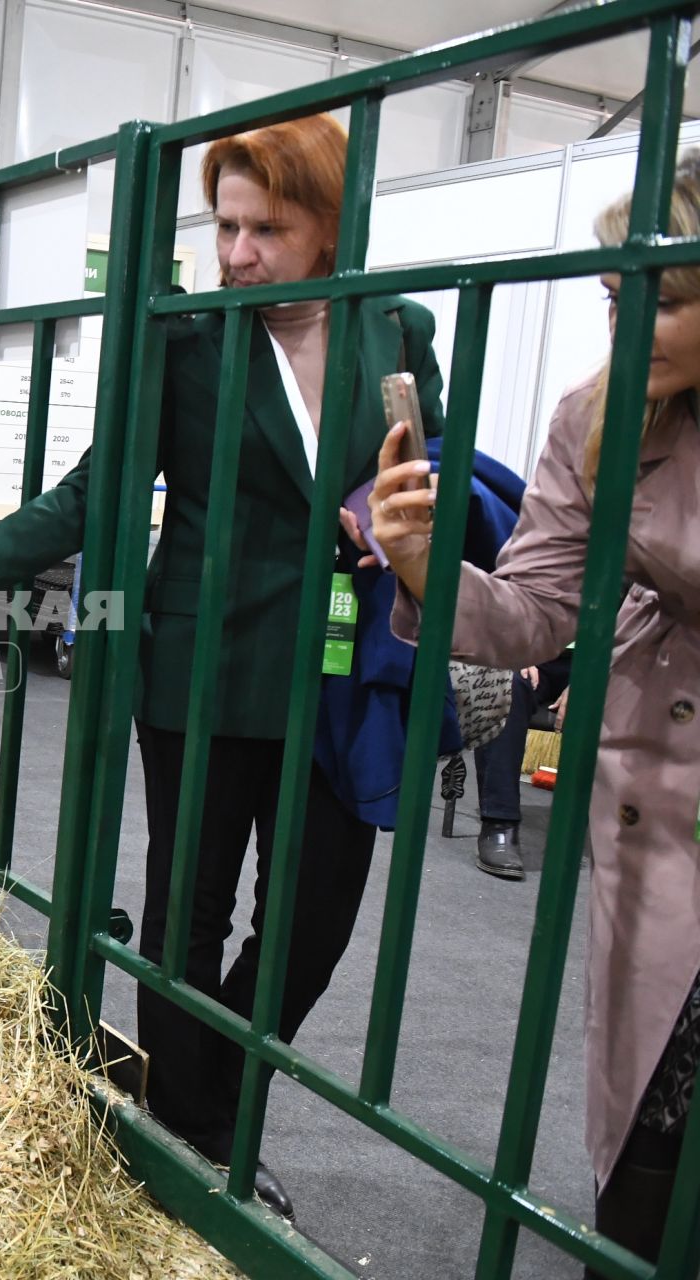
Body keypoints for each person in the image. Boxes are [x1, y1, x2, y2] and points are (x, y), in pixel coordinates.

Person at [0, 114, 449, 1219]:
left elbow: (430, 475)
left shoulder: (399, 329)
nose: (235, 253)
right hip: (202, 664)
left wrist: (412, 532)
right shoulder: (186, 336)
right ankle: (199, 1137)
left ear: (328, 225)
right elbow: (100, 485)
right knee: (187, 920)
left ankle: (200, 1100)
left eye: (265, 227)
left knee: (313, 924)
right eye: (225, 224)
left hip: (335, 665)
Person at [366, 152, 700, 1276]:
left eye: (675, 292)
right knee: (657, 1103)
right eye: (620, 296)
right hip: (662, 782)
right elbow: (534, 610)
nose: (637, 318)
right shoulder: (597, 415)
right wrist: (423, 563)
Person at [471, 653, 571, 879]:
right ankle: (499, 823)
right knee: (507, 684)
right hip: (537, 649)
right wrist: (517, 647)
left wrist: (595, 676)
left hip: (603, 659)